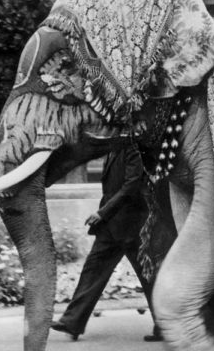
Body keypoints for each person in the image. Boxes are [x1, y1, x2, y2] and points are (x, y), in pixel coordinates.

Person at [51, 145, 165, 342]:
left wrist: (102, 213)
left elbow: (131, 186)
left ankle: (167, 325)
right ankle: (72, 321)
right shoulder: (114, 147)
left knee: (149, 277)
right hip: (111, 226)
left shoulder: (132, 148)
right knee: (92, 270)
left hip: (132, 226)